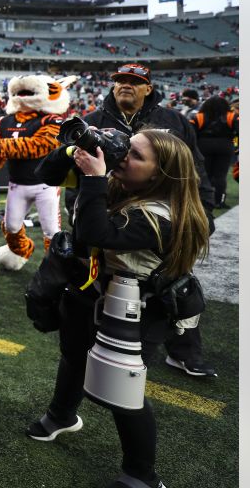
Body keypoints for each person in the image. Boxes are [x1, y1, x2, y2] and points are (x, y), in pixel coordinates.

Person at [26, 130, 209, 488]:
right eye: (126, 149)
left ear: (160, 173)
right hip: (93, 293)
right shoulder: (120, 181)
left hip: (135, 309)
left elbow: (96, 234)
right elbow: (45, 175)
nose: (123, 157)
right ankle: (62, 415)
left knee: (123, 390)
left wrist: (94, 178)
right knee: (74, 357)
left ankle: (142, 475)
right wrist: (74, 149)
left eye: (136, 156)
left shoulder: (161, 215)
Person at [80, 63, 218, 378]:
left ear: (148, 88)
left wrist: (202, 217)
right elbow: (80, 176)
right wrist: (85, 211)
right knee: (107, 283)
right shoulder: (92, 122)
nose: (125, 85)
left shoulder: (173, 122)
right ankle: (106, 348)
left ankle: (184, 351)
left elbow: (195, 172)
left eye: (134, 81)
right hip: (116, 217)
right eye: (120, 80)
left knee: (171, 284)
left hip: (163, 221)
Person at [0, 74, 77, 272]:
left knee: (52, 231)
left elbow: (37, 146)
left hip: (45, 184)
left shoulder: (51, 120)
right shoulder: (5, 121)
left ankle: (56, 268)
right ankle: (21, 251)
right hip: (17, 183)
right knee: (10, 226)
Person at [192, 96, 238, 208]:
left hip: (203, 146)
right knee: (220, 176)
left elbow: (191, 133)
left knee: (203, 175)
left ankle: (201, 200)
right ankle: (219, 201)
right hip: (225, 146)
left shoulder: (199, 116)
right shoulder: (231, 116)